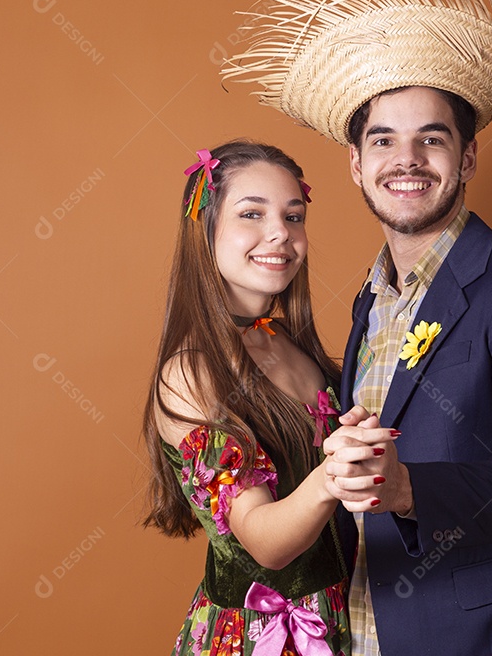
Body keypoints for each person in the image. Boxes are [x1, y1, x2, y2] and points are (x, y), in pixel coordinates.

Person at [224, 0, 492, 655]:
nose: (408, 162)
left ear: (469, 156)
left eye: (432, 139)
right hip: (373, 632)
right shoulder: (370, 301)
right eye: (385, 142)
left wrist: (410, 488)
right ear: (356, 167)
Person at [141, 140, 395, 656]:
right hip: (260, 639)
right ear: (205, 228)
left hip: (346, 618)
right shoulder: (189, 374)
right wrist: (333, 474)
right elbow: (265, 543)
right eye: (251, 214)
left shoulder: (287, 342)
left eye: (293, 216)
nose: (280, 232)